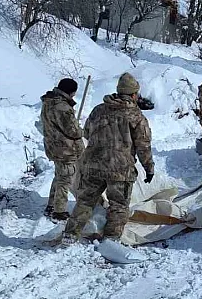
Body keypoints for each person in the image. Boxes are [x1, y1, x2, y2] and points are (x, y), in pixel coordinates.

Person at [61, 72, 154, 245]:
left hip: (93, 165)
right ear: (134, 94)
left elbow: (86, 132)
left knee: (85, 201)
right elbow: (143, 146)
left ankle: (70, 234)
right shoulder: (136, 116)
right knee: (118, 205)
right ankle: (110, 240)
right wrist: (149, 168)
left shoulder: (99, 109)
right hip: (120, 170)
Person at [40, 78, 84, 221]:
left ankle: (51, 205)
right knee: (65, 180)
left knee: (59, 176)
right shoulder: (63, 108)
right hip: (65, 149)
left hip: (53, 146)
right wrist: (81, 130)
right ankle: (59, 211)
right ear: (71, 92)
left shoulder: (48, 102)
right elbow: (73, 131)